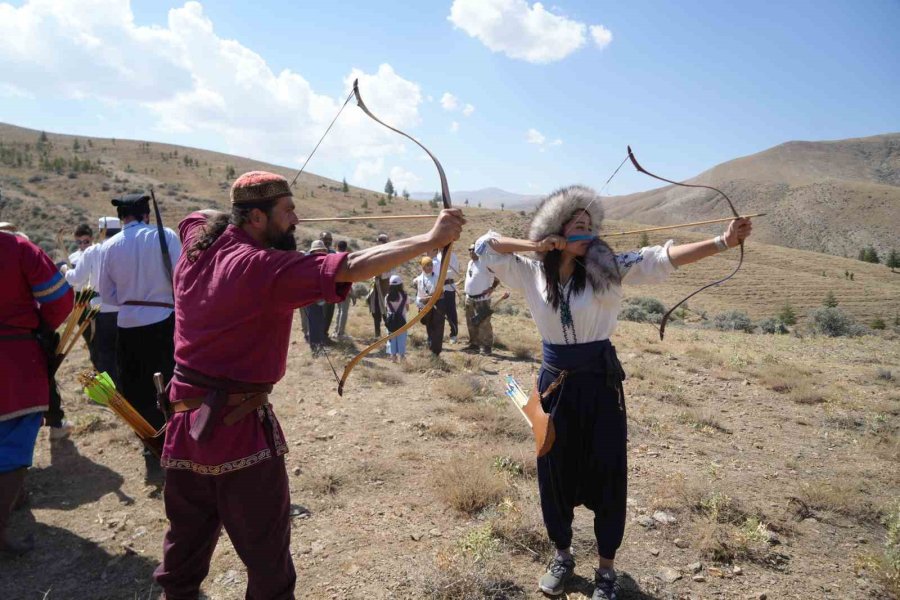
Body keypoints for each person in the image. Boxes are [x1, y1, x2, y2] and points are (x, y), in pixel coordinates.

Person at [152, 170, 463, 599]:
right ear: (256, 218)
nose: (296, 219)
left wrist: (232, 216)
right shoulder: (260, 267)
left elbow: (195, 216)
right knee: (269, 567)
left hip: (183, 428)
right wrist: (431, 239)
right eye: (288, 211)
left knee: (182, 558)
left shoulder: (197, 243)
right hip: (237, 433)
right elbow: (351, 266)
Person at [473, 185, 752, 600]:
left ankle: (606, 570)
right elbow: (484, 245)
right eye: (575, 223)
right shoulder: (529, 271)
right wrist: (536, 245)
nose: (584, 228)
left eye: (589, 223)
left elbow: (662, 258)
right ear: (554, 231)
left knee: (607, 471)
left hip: (600, 384)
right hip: (554, 386)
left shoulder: (609, 268)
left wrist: (723, 242)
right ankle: (562, 556)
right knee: (554, 470)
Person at [99, 193, 181, 483]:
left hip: (127, 325)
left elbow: (107, 296)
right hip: (164, 320)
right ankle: (177, 446)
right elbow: (181, 276)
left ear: (122, 217)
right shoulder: (165, 235)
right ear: (146, 215)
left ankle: (152, 450)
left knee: (137, 390)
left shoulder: (109, 246)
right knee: (171, 385)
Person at [0, 231, 74, 556]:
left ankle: (14, 500)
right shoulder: (16, 247)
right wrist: (40, 326)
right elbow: (61, 300)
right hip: (14, 359)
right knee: (12, 446)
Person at [63, 217, 122, 387]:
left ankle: (109, 392)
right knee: (121, 351)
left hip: (101, 309)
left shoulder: (93, 251)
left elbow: (76, 278)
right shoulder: (127, 248)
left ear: (101, 231)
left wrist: (65, 270)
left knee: (104, 353)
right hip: (126, 308)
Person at [463, 243, 502, 354]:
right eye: (469, 249)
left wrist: (492, 288)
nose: (471, 251)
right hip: (469, 298)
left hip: (482, 299)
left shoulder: (485, 263)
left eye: (474, 249)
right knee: (471, 322)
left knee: (484, 323)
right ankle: (474, 344)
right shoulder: (470, 263)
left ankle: (486, 347)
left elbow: (498, 276)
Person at [412, 256, 444, 357]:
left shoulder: (437, 277)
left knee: (437, 328)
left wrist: (431, 297)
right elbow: (418, 296)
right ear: (423, 267)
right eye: (427, 265)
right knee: (429, 327)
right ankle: (431, 348)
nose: (430, 267)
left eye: (431, 265)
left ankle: (436, 351)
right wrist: (423, 300)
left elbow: (441, 292)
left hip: (437, 306)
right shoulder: (418, 280)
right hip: (425, 306)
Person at [366, 233, 393, 338]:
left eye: (382, 241)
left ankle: (391, 335)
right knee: (375, 313)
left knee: (386, 313)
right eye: (379, 241)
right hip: (375, 289)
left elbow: (392, 272)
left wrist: (381, 274)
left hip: (385, 289)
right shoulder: (374, 254)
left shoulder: (391, 256)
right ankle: (377, 335)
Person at [305, 240, 329, 355]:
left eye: (322, 250)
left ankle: (320, 345)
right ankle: (315, 349)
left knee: (320, 321)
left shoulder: (324, 262)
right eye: (318, 250)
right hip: (311, 297)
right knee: (313, 323)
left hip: (321, 298)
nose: (320, 252)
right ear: (313, 252)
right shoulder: (309, 264)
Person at [434, 248, 461, 343]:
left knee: (451, 312)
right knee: (439, 312)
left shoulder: (452, 256)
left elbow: (455, 272)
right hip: (438, 288)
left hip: (448, 287)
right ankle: (438, 335)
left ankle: (453, 334)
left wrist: (442, 273)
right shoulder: (437, 256)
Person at [383, 274, 408, 362]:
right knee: (402, 338)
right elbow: (407, 308)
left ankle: (393, 357)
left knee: (391, 338)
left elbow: (387, 308)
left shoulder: (387, 297)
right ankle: (402, 357)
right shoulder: (404, 296)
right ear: (400, 285)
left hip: (391, 321)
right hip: (402, 320)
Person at [331, 240, 353, 339]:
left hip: (335, 286)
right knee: (344, 311)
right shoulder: (347, 257)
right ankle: (340, 333)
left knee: (339, 310)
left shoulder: (333, 256)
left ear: (337, 247)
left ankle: (335, 331)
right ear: (346, 247)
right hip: (345, 286)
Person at [319, 231, 337, 340]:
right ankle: (317, 336)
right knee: (319, 313)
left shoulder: (333, 253)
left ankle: (325, 334)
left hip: (331, 288)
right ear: (320, 239)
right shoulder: (315, 252)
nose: (328, 241)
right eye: (326, 239)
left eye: (330, 239)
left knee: (329, 312)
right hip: (318, 289)